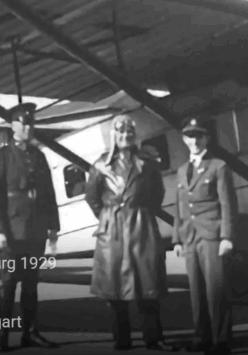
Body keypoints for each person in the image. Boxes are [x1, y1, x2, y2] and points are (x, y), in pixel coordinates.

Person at [85, 114, 174, 351]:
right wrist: (108, 217)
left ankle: (153, 337)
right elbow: (92, 197)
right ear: (114, 135)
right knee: (115, 287)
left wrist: (140, 213)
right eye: (121, 132)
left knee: (149, 284)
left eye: (130, 133)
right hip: (112, 230)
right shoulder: (100, 165)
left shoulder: (147, 163)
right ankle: (121, 339)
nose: (126, 136)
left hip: (141, 226)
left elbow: (157, 194)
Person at [0, 102, 60, 352]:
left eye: (31, 123)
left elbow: (49, 194)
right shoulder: (2, 156)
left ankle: (30, 332)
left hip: (35, 232)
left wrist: (53, 227)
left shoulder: (39, 156)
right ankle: (2, 336)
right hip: (12, 232)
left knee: (31, 283)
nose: (27, 127)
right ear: (13, 126)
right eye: (22, 123)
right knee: (8, 284)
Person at [172, 116, 238, 355]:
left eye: (199, 135)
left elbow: (228, 204)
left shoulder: (218, 166)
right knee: (196, 291)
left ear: (207, 138)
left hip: (212, 235)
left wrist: (227, 236)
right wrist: (177, 239)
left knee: (216, 290)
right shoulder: (181, 171)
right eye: (190, 136)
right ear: (184, 139)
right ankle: (202, 338)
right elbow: (180, 207)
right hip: (190, 237)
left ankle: (222, 341)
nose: (195, 140)